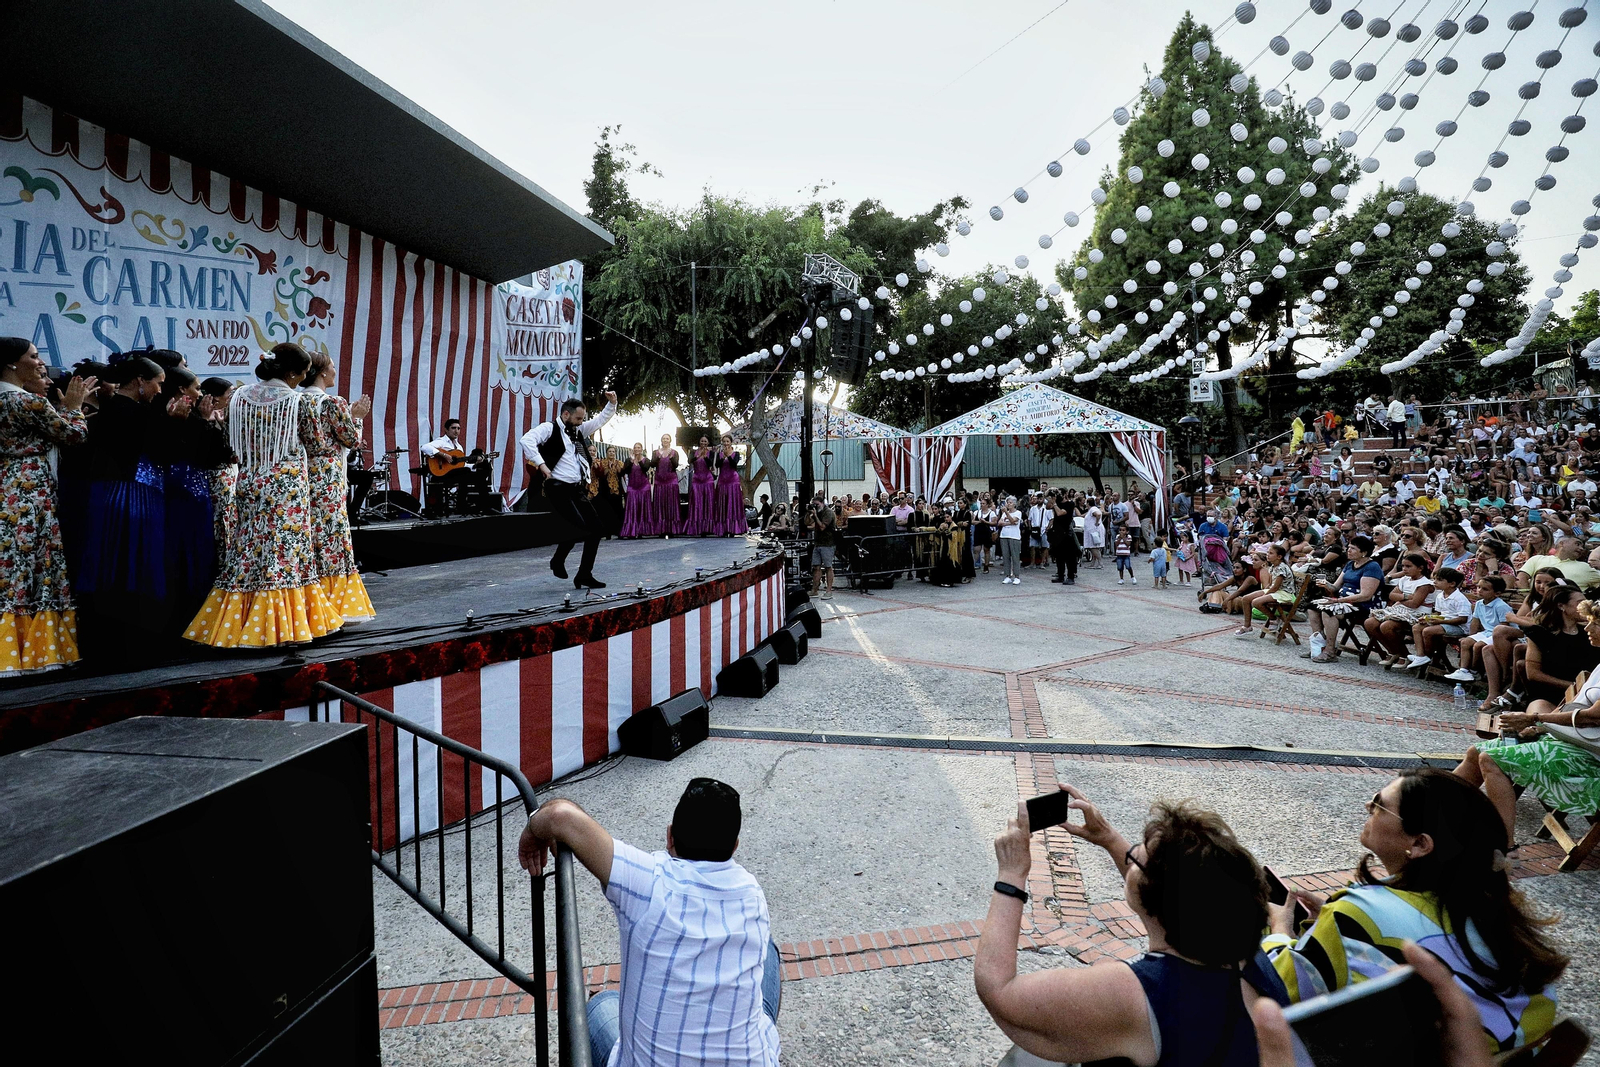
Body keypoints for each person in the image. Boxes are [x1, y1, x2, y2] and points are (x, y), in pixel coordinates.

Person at [1264, 768, 1565, 1055]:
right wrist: (1326, 926)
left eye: (1380, 806)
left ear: (1420, 844)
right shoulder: (1501, 919)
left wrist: (1279, 932)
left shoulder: (1356, 914)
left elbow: (1277, 989)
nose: (1367, 805)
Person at [976, 786, 1275, 1066]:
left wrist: (1011, 875)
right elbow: (1164, 895)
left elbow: (998, 990)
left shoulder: (1134, 995)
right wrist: (1107, 837)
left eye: (1136, 855)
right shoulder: (1249, 951)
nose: (1129, 855)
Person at [517, 779, 780, 1067]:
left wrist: (533, 830)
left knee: (602, 1005)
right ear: (734, 847)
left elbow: (559, 816)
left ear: (669, 838)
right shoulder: (752, 894)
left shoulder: (650, 881)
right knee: (767, 952)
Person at [186, 343, 346, 648]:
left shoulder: (240, 398)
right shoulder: (298, 401)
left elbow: (229, 440)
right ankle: (279, 628)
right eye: (301, 373)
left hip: (248, 480)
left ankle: (234, 624)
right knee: (283, 554)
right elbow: (315, 445)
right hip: (285, 484)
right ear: (292, 373)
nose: (302, 379)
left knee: (247, 549)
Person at [1458, 600, 1600, 836]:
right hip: (1578, 742)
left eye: (1595, 624)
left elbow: (1594, 716)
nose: (1587, 628)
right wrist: (1538, 728)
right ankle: (1436, 809)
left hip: (1592, 755)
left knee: (1491, 758)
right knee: (1476, 751)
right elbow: (1576, 710)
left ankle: (1504, 844)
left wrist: (1534, 719)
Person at [0, 338, 93, 674]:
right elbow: (73, 436)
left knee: (10, 567)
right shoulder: (25, 403)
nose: (39, 363)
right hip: (31, 493)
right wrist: (73, 407)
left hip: (6, 485)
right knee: (32, 567)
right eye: (34, 356)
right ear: (12, 364)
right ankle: (27, 654)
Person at [76, 355, 174, 662]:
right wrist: (173, 423)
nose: (160, 390)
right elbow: (161, 451)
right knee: (132, 565)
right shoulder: (134, 414)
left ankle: (113, 644)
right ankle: (132, 645)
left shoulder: (110, 412)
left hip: (110, 495)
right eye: (158, 383)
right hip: (131, 498)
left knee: (113, 567)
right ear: (140, 381)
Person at [300, 352, 376, 622]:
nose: (334, 372)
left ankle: (309, 601)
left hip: (301, 473)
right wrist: (357, 417)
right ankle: (334, 605)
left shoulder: (296, 401)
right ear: (321, 373)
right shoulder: (332, 402)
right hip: (328, 476)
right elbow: (352, 439)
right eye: (332, 367)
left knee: (309, 536)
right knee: (331, 537)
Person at [522, 391, 617, 589]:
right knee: (578, 527)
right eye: (578, 418)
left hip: (576, 489)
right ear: (566, 415)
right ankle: (558, 560)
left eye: (582, 419)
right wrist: (541, 464)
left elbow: (600, 420)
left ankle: (584, 574)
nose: (581, 422)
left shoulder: (577, 430)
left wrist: (612, 403)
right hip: (557, 488)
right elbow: (526, 440)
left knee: (597, 529)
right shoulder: (549, 428)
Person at [1302, 533, 1383, 664]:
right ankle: (1319, 646)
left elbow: (1365, 595)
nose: (1348, 550)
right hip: (1344, 601)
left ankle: (1330, 651)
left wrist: (1338, 601)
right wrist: (1323, 583)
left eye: (1353, 548)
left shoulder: (1372, 567)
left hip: (1363, 605)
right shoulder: (1350, 564)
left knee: (1329, 611)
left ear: (1364, 552)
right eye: (1348, 547)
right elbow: (1335, 587)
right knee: (1312, 607)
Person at [1446, 576, 1512, 684]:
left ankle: (1474, 671)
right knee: (1465, 642)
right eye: (1479, 587)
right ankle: (1463, 670)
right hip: (1487, 632)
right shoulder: (1479, 603)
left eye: (1485, 589)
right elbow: (1475, 622)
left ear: (1497, 593)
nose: (1479, 591)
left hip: (1499, 634)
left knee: (1478, 646)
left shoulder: (1501, 606)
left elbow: (1504, 627)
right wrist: (1471, 636)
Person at [419, 417, 491, 516]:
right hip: (442, 475)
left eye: (458, 428)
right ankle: (462, 506)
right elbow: (424, 447)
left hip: (457, 475)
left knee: (480, 476)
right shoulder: (441, 442)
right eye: (453, 428)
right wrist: (444, 455)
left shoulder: (459, 447)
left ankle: (485, 507)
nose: (456, 431)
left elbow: (462, 464)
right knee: (465, 472)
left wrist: (475, 464)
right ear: (446, 429)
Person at [1404, 566, 1471, 672]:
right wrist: (1427, 618)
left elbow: (1463, 619)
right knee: (1417, 627)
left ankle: (1428, 655)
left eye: (1439, 580)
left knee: (1428, 631)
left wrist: (1441, 621)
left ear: (1452, 584)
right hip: (1444, 623)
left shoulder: (1459, 599)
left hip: (1459, 627)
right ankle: (1420, 655)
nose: (1435, 582)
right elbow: (1439, 613)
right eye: (1434, 579)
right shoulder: (1440, 596)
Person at [1234, 543, 1296, 637]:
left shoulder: (1282, 568)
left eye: (1271, 553)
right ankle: (1247, 627)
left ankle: (1273, 619)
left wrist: (1263, 596)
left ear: (1279, 556)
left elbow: (1276, 587)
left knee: (1256, 602)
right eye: (1267, 553)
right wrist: (1264, 592)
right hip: (1275, 591)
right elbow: (1271, 584)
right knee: (1246, 599)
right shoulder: (1272, 566)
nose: (1268, 555)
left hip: (1284, 593)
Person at [679, 435, 716, 537]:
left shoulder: (711, 453)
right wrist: (698, 456)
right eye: (702, 441)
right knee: (696, 503)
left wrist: (705, 456)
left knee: (707, 503)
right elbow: (690, 461)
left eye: (705, 441)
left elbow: (710, 464)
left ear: (708, 443)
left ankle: (708, 527)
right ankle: (696, 526)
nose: (703, 443)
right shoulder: (693, 452)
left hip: (707, 480)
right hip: (697, 479)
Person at [712, 438, 747, 536]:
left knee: (732, 504)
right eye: (724, 442)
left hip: (733, 481)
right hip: (722, 480)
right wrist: (723, 457)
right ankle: (722, 529)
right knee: (723, 504)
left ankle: (733, 528)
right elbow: (717, 465)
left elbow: (734, 464)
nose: (726, 443)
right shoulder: (720, 454)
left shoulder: (736, 453)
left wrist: (728, 456)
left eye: (727, 441)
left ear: (731, 442)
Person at [618, 443, 654, 539]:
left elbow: (645, 468)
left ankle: (642, 530)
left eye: (639, 448)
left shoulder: (646, 460)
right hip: (632, 487)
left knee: (642, 508)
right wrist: (631, 460)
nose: (637, 449)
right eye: (635, 448)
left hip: (644, 487)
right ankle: (631, 530)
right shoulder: (628, 460)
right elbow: (625, 471)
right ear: (633, 449)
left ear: (641, 449)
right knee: (631, 508)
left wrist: (638, 460)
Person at [649, 434, 681, 536]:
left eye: (667, 438)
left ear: (670, 440)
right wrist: (658, 458)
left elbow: (675, 465)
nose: (665, 440)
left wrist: (671, 458)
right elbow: (652, 464)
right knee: (660, 505)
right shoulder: (656, 452)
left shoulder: (674, 452)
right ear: (661, 440)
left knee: (671, 504)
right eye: (663, 438)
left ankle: (672, 529)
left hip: (671, 481)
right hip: (659, 481)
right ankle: (660, 529)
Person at [807, 496, 836, 600]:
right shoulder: (817, 512)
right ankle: (814, 590)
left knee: (828, 567)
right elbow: (807, 523)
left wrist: (815, 515)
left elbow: (822, 527)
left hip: (828, 543)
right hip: (818, 543)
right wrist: (809, 513)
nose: (816, 506)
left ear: (822, 503)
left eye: (817, 504)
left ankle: (829, 591)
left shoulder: (828, 512)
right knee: (816, 567)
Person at [1049, 492, 1079, 586]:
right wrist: (1051, 499)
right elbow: (1047, 506)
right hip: (1057, 534)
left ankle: (1071, 577)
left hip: (1067, 534)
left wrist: (1054, 504)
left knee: (1069, 557)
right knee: (1059, 557)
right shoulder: (1057, 503)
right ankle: (1060, 575)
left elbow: (1059, 513)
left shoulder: (1070, 504)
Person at [998, 495, 1023, 585]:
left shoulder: (1018, 513)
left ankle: (1017, 576)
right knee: (1006, 556)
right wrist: (1008, 522)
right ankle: (1007, 575)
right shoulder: (1004, 513)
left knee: (1015, 557)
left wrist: (1007, 515)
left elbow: (1014, 521)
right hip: (1004, 536)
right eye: (1007, 502)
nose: (1008, 504)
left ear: (1015, 504)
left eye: (1010, 503)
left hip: (1014, 536)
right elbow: (1000, 523)